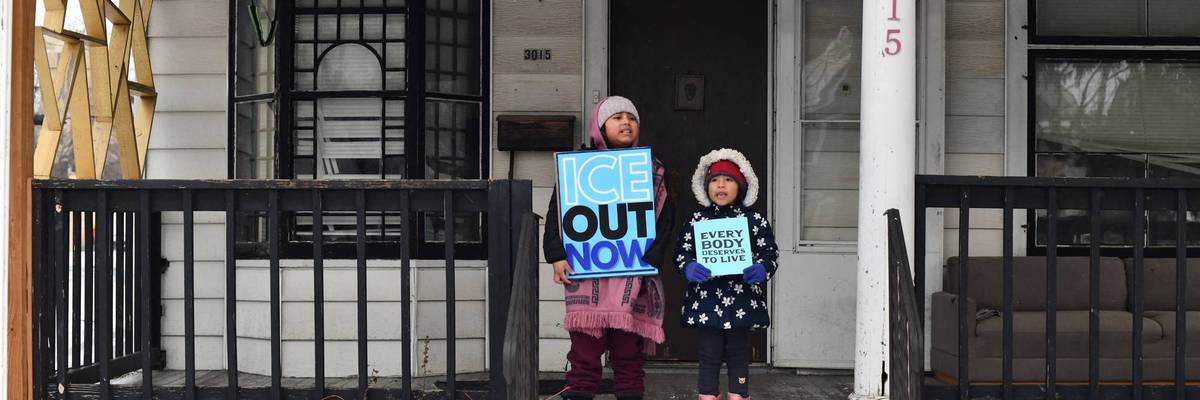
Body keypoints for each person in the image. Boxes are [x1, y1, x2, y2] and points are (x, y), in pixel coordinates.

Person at [543, 96, 678, 400]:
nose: (626, 123)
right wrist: (556, 255)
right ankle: (580, 392)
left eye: (631, 118)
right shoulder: (578, 168)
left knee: (628, 348)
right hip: (587, 274)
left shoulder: (653, 170)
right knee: (585, 349)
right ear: (600, 127)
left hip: (634, 274)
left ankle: (630, 394)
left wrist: (651, 257)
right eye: (616, 118)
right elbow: (558, 213)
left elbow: (665, 217)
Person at [673, 148, 779, 400]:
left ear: (742, 186)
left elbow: (770, 251)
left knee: (739, 353)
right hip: (707, 300)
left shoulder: (754, 221)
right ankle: (708, 395)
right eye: (714, 180)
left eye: (728, 180)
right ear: (705, 187)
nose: (720, 185)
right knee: (708, 354)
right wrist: (688, 267)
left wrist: (762, 268)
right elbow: (682, 251)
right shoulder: (697, 220)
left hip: (741, 299)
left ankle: (738, 393)